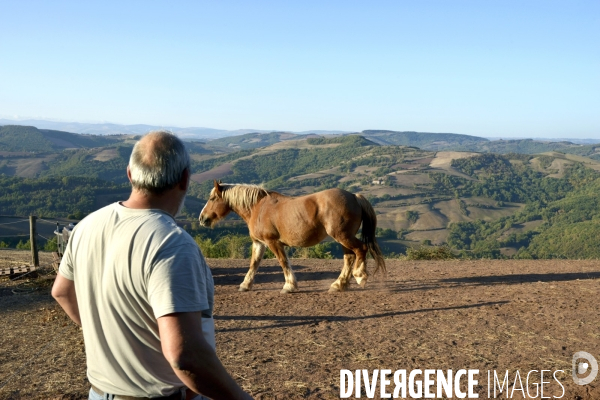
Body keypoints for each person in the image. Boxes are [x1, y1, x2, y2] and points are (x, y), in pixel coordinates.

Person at [52, 131, 252, 400]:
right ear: (184, 179)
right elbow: (185, 355)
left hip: (99, 393)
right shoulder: (173, 243)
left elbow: (62, 292)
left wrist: (113, 339)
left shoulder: (87, 226)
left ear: (130, 174)